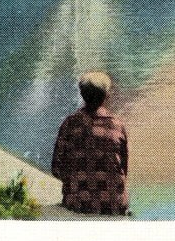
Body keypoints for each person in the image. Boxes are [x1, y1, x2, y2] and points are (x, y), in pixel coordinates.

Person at [51, 71, 129, 215]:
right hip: (114, 205)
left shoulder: (70, 123)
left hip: (79, 204)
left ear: (82, 95)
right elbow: (123, 168)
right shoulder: (118, 125)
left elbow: (56, 168)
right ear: (106, 95)